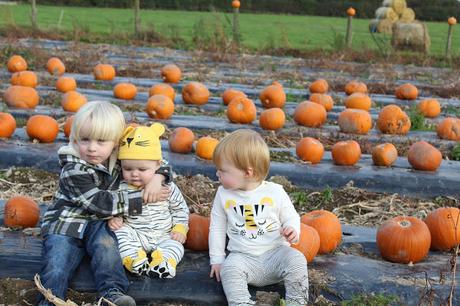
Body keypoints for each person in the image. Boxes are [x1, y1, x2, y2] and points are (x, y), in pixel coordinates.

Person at [39, 101, 171, 306]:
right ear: (74, 138)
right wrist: (140, 199)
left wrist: (158, 177)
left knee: (107, 248)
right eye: (84, 140)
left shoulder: (119, 157)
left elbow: (154, 160)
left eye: (101, 141)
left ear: (116, 142)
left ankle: (112, 295)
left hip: (101, 222)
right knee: (57, 260)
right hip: (66, 222)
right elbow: (98, 203)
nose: (92, 148)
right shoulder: (73, 168)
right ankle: (51, 300)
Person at [209, 129, 309, 306]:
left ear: (247, 173)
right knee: (229, 269)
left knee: (297, 259)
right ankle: (242, 303)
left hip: (275, 254)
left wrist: (292, 229)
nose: (217, 174)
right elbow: (217, 228)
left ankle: (297, 302)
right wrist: (217, 260)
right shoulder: (223, 195)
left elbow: (291, 216)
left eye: (223, 171)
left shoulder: (275, 192)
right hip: (243, 257)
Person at [108, 123, 189, 279]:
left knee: (176, 246)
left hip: (165, 234)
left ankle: (163, 262)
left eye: (142, 169)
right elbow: (114, 205)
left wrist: (180, 228)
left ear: (158, 164)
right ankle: (134, 259)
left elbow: (180, 208)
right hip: (136, 234)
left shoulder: (166, 185)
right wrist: (115, 218)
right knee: (120, 234)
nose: (135, 174)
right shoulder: (120, 187)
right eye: (128, 169)